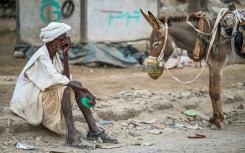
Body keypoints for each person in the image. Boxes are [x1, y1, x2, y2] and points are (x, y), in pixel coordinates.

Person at [10, 22, 118, 149]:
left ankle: (94, 130)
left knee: (76, 84)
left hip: (41, 94)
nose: (64, 42)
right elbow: (56, 79)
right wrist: (85, 90)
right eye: (62, 39)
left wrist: (66, 55)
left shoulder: (54, 55)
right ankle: (72, 137)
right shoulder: (41, 56)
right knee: (67, 89)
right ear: (52, 41)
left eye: (66, 39)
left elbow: (65, 78)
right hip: (28, 100)